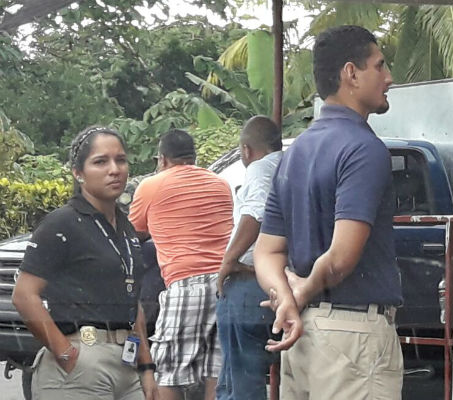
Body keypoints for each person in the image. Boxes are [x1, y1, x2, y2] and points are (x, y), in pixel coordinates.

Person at [254, 25, 404, 399]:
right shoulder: (364, 149)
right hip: (353, 336)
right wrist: (299, 294)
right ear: (351, 73)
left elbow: (267, 250)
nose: (389, 78)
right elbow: (340, 258)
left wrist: (286, 298)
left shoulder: (296, 152)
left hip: (304, 334)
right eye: (379, 66)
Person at [12, 126, 158, 400]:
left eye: (121, 160)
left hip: (128, 364)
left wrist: (146, 366)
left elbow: (132, 300)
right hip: (81, 361)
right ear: (78, 173)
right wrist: (66, 354)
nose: (114, 169)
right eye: (101, 161)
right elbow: (24, 295)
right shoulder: (62, 223)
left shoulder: (126, 228)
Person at [129, 129, 233, 400]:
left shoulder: (152, 185)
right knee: (217, 370)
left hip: (188, 283)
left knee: (167, 370)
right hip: (227, 283)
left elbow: (135, 233)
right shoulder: (220, 183)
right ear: (194, 157)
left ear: (162, 159)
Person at [215, 115, 283, 400]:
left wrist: (228, 261)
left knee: (240, 383)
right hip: (281, 283)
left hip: (249, 282)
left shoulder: (258, 168)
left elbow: (255, 213)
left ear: (245, 149)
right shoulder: (290, 165)